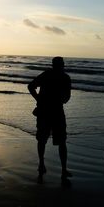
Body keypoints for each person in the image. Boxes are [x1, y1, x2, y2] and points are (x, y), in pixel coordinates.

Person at [28, 56, 72, 185]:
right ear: (61, 65)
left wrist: (39, 99)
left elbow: (31, 87)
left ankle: (42, 164)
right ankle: (62, 169)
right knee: (61, 141)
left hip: (45, 111)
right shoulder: (65, 77)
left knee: (43, 139)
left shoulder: (47, 75)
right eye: (61, 64)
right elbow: (66, 98)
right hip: (56, 112)